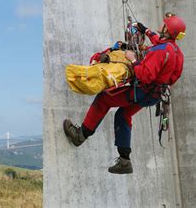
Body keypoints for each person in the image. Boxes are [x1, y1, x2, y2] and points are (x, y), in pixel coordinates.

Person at [63, 13, 186, 174]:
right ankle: (124, 161)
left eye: (164, 24)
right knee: (123, 114)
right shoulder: (175, 51)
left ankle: (80, 135)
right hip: (155, 96)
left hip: (143, 91)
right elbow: (160, 44)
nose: (161, 25)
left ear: (167, 30)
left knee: (104, 99)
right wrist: (146, 30)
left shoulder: (160, 52)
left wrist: (133, 59)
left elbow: (144, 75)